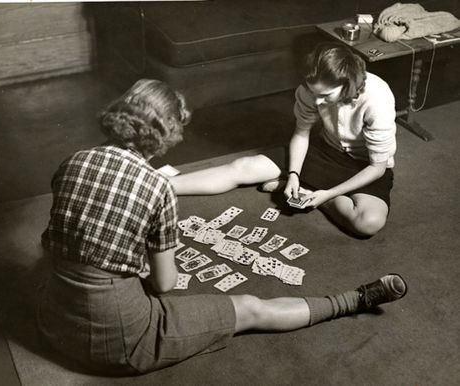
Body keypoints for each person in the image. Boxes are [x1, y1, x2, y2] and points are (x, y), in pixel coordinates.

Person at [37, 79, 407, 376]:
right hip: (119, 343)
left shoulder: (75, 159)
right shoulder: (157, 187)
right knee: (248, 308)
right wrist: (144, 264)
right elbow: (165, 286)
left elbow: (58, 237)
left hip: (53, 322)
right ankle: (354, 300)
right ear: (166, 135)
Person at [171, 42, 397, 237]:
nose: (317, 102)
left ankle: (316, 196)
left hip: (363, 166)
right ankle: (165, 185)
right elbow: (301, 134)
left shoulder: (377, 98)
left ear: (347, 84)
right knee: (245, 166)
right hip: (323, 151)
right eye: (313, 93)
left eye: (325, 96)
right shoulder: (310, 89)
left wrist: (328, 194)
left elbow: (377, 168)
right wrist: (293, 175)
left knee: (369, 222)